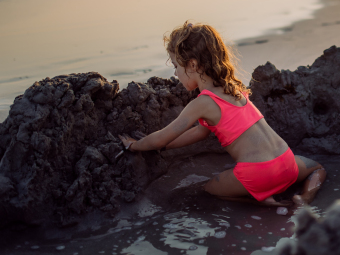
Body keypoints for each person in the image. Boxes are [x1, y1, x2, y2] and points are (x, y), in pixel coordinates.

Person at [119, 22, 326, 206]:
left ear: (192, 64)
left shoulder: (202, 102)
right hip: (287, 163)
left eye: (176, 66)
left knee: (207, 189)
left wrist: (135, 144)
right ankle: (304, 198)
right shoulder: (236, 91)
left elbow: (164, 135)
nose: (175, 73)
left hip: (258, 175)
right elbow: (199, 133)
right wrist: (166, 146)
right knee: (317, 168)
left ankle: (260, 201)